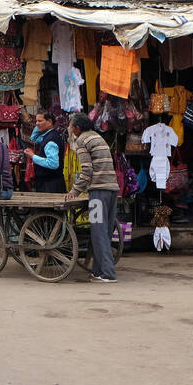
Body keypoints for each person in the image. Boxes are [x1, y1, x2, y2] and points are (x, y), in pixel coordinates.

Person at [65, 112, 119, 282]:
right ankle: (98, 272)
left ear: (77, 128)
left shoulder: (82, 141)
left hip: (98, 191)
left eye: (71, 126)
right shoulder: (97, 137)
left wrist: (74, 191)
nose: (70, 129)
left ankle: (108, 274)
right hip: (111, 188)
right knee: (106, 231)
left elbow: (86, 170)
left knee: (98, 231)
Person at [28, 111, 65, 193]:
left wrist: (33, 156)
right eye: (36, 121)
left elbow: (53, 164)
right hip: (48, 183)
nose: (37, 124)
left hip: (51, 185)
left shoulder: (51, 140)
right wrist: (39, 125)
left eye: (40, 121)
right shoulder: (48, 135)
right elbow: (33, 139)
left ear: (49, 122)